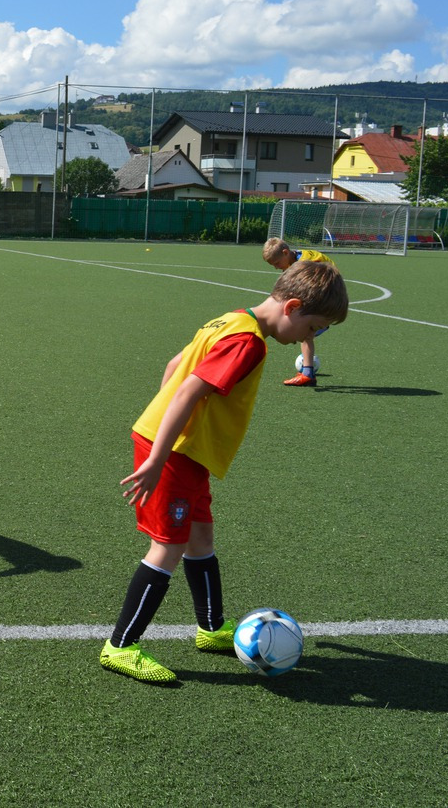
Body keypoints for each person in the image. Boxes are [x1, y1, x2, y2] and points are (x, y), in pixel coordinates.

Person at [101, 260, 348, 685]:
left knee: (200, 537)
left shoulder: (231, 319)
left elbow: (175, 364)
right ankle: (120, 646)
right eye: (313, 328)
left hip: (183, 450)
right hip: (174, 452)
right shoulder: (248, 343)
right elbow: (188, 390)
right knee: (168, 547)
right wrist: (159, 456)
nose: (308, 339)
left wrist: (162, 427)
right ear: (292, 307)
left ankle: (212, 627)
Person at [263, 237, 336, 387]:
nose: (276, 267)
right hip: (324, 296)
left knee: (305, 331)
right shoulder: (294, 259)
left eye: (277, 263)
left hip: (328, 299)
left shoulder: (306, 265)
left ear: (285, 252)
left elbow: (316, 288)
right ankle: (308, 373)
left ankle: (307, 374)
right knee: (304, 332)